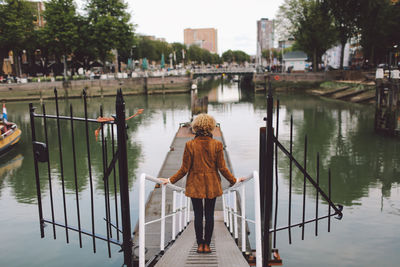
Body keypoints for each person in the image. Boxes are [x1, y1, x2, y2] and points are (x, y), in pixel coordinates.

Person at [159, 114, 245, 254]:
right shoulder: (217, 144)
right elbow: (222, 168)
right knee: (209, 215)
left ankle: (200, 245)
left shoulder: (190, 144)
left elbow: (184, 169)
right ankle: (207, 245)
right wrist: (234, 180)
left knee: (198, 215)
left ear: (196, 127)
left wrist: (169, 180)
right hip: (212, 184)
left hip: (195, 184)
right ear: (211, 127)